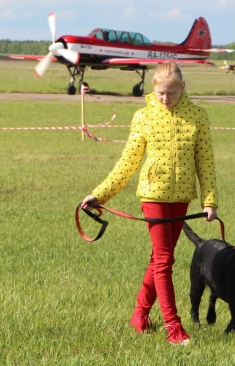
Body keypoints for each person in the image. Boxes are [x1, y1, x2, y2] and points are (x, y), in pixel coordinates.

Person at [80, 62, 218, 346]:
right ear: (152, 89)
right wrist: (100, 194)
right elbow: (127, 162)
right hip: (152, 195)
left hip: (181, 198)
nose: (165, 99)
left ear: (182, 88)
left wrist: (209, 201)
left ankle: (140, 314)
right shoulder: (143, 116)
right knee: (165, 260)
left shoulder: (198, 117)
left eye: (171, 93)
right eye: (160, 93)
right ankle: (173, 328)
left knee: (158, 259)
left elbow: (205, 162)